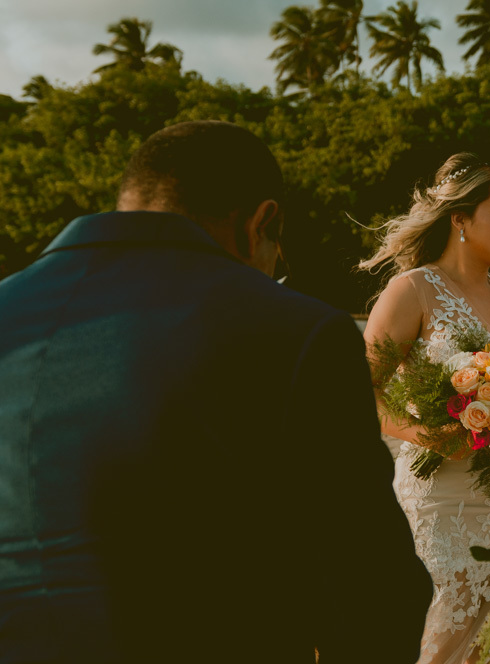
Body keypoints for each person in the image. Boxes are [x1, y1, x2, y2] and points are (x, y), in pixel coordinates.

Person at [0, 121, 430, 663]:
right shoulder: (293, 331)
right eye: (278, 253)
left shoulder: (11, 309)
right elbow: (372, 586)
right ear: (261, 222)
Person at [360, 152, 490, 664]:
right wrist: (422, 433)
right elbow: (355, 390)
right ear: (460, 219)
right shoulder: (412, 291)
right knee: (441, 642)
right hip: (444, 503)